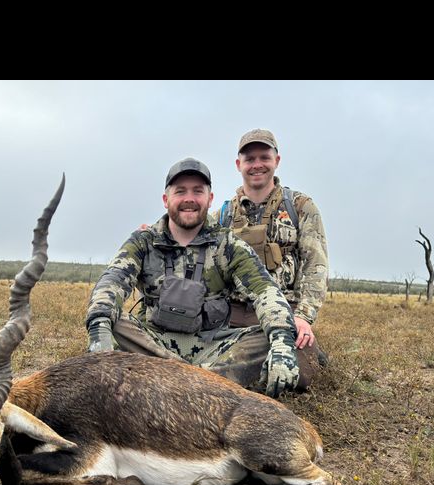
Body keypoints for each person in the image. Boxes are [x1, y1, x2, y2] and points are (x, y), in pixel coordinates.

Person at [85, 157, 300, 398]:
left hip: (214, 347)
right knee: (112, 322)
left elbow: (265, 291)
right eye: (181, 191)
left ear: (210, 199)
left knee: (272, 339)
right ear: (166, 200)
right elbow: (112, 280)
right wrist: (99, 327)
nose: (189, 199)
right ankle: (204, 384)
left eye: (198, 191)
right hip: (152, 345)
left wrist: (282, 339)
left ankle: (170, 381)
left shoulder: (227, 244)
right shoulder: (143, 241)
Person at [213, 129, 329, 390]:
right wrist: (152, 234)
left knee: (299, 374)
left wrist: (302, 318)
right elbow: (186, 235)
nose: (257, 165)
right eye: (249, 159)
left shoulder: (300, 206)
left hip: (284, 316)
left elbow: (316, 266)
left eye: (264, 157)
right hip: (230, 318)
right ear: (238, 165)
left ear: (276, 161)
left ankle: (304, 354)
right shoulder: (221, 215)